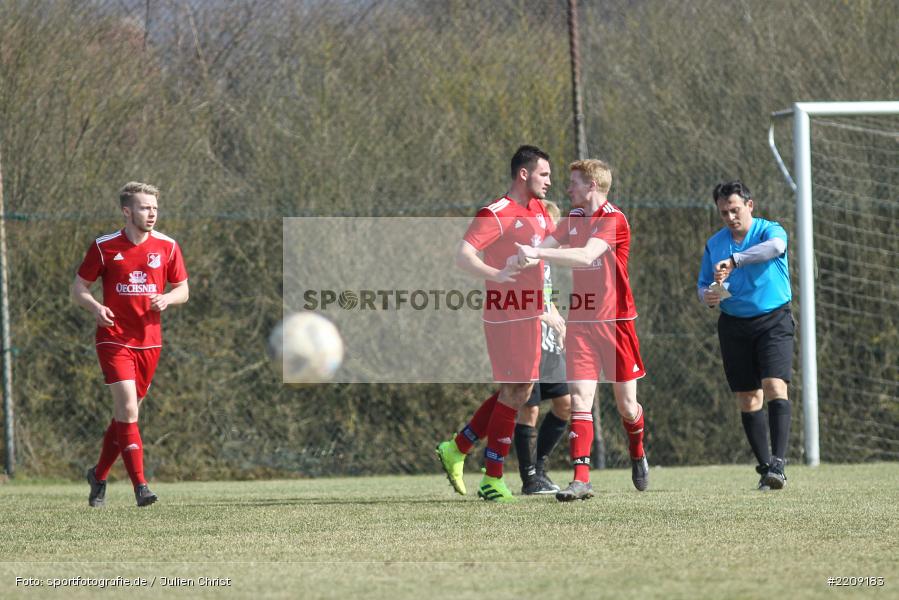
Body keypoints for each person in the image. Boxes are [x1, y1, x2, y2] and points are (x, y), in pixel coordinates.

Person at [517, 159, 649, 501]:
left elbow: (585, 255)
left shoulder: (613, 219)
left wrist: (537, 252)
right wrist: (517, 255)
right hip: (581, 324)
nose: (567, 188)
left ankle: (637, 449)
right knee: (580, 399)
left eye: (574, 182)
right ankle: (581, 479)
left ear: (592, 185)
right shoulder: (574, 218)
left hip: (616, 324)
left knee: (626, 406)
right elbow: (544, 242)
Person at [436, 145, 554, 503]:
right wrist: (497, 275)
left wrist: (549, 305)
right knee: (517, 391)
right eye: (544, 174)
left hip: (531, 313)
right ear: (524, 174)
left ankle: (458, 447)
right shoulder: (497, 212)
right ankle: (492, 478)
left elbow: (544, 261)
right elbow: (463, 255)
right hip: (506, 313)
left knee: (516, 391)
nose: (549, 181)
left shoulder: (539, 212)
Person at [73, 182, 189, 507]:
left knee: (127, 414)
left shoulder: (167, 246)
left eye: (154, 208)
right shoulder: (104, 246)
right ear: (127, 211)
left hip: (150, 343)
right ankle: (141, 488)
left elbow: (184, 288)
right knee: (126, 407)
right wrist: (96, 307)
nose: (151, 213)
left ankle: (98, 475)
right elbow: (78, 288)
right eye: (143, 208)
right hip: (114, 339)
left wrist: (167, 298)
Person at [697, 180, 793, 490]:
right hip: (734, 324)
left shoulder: (769, 230)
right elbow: (701, 286)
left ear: (749, 205)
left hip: (773, 319)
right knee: (748, 396)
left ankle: (779, 462)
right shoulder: (715, 243)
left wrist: (737, 260)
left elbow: (776, 249)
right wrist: (707, 296)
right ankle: (766, 468)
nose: (730, 217)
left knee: (774, 385)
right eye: (724, 212)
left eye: (735, 210)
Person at [514, 199, 571, 495]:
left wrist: (557, 318)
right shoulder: (522, 256)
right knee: (529, 408)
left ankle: (540, 466)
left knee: (565, 404)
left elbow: (543, 295)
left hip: (548, 341)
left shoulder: (544, 260)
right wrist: (543, 313)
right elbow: (511, 298)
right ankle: (529, 479)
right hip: (526, 339)